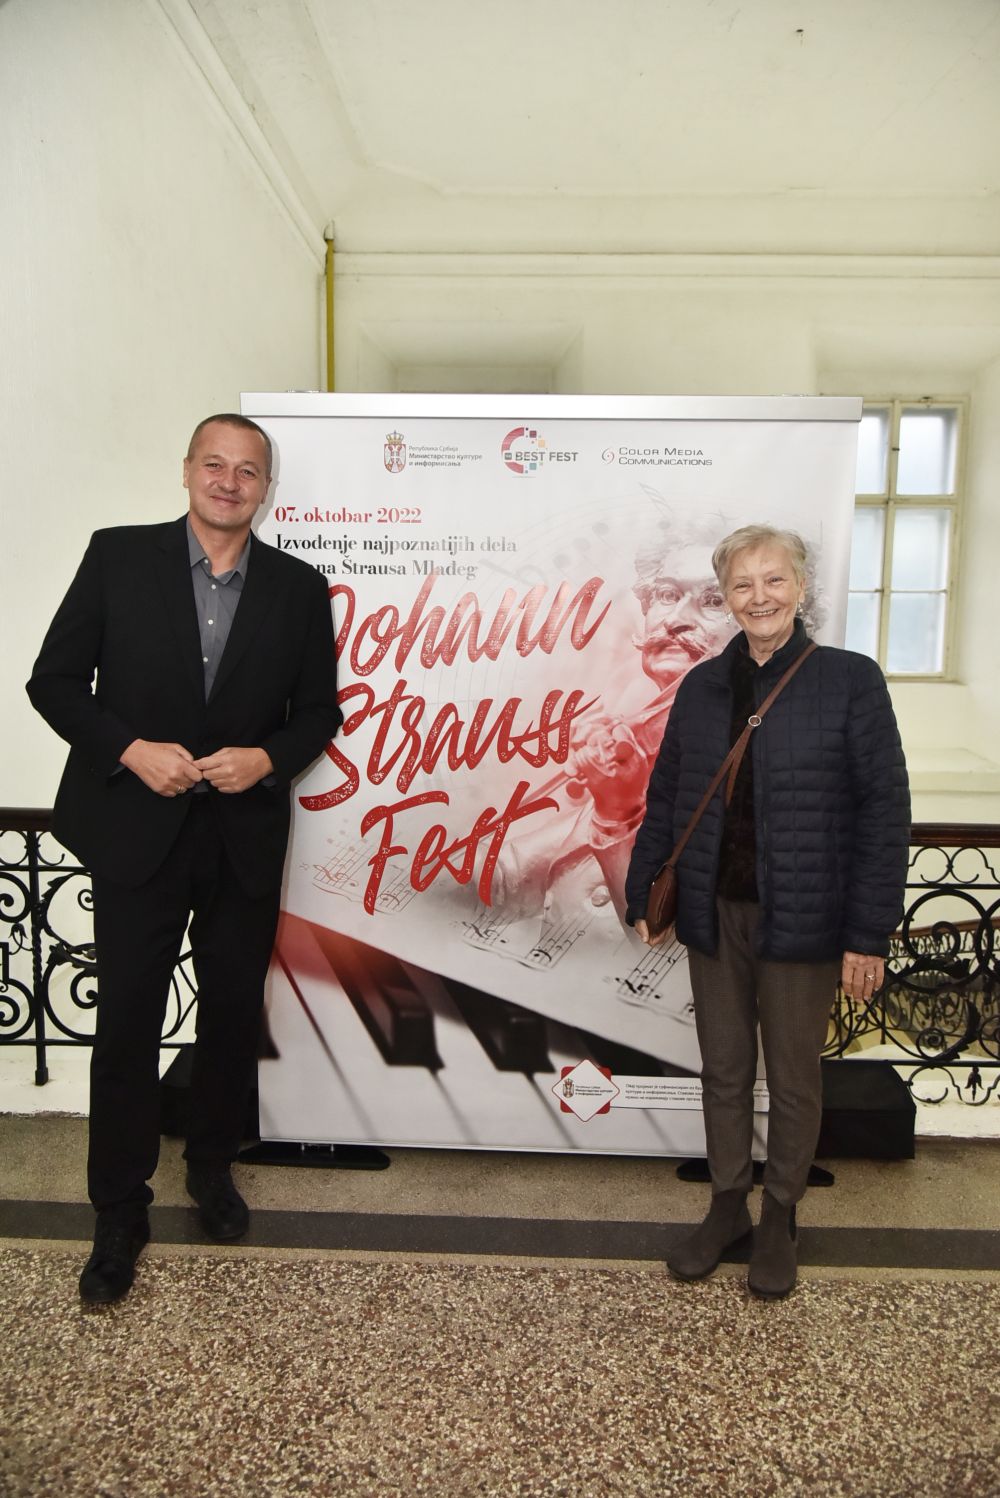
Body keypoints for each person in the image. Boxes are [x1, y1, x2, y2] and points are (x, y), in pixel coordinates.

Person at [27, 413, 342, 1305]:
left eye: (247, 470)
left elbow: (319, 712)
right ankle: (118, 1209)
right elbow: (54, 682)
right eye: (215, 463)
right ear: (187, 471)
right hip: (138, 831)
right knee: (127, 1021)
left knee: (231, 1013)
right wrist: (130, 750)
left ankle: (210, 1168)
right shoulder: (117, 556)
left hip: (242, 838)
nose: (228, 481)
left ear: (265, 489)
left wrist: (267, 759)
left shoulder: (298, 586)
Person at [625, 523, 910, 1299]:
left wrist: (868, 933)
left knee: (792, 1077)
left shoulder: (850, 681)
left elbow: (884, 811)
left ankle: (780, 1212)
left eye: (774, 579)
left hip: (805, 917)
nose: (759, 597)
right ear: (725, 597)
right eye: (743, 584)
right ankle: (727, 1206)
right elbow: (668, 797)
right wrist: (645, 890)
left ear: (801, 588)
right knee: (722, 1069)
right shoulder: (702, 686)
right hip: (715, 911)